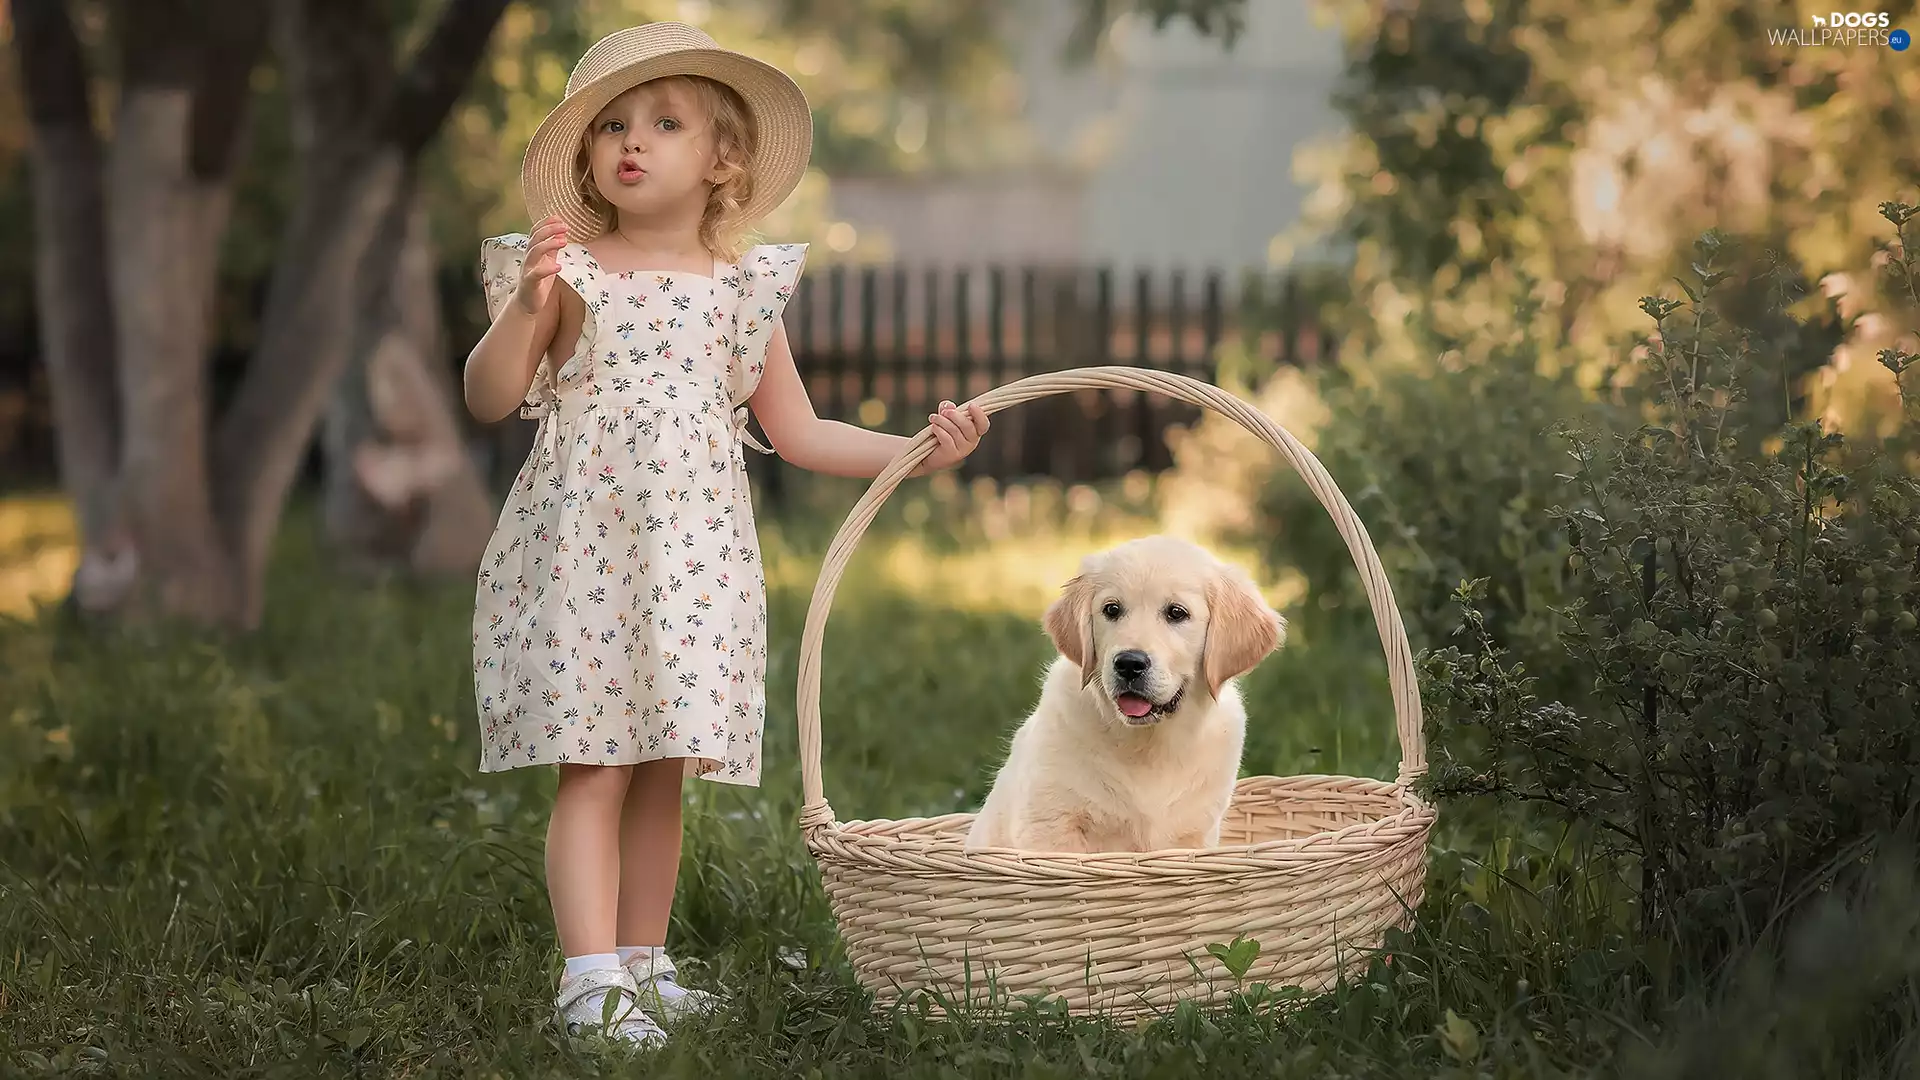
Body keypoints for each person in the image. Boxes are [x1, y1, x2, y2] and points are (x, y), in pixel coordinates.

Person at [462, 22, 989, 1045]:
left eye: (665, 123)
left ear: (723, 161)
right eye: (613, 124)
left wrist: (918, 451)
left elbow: (797, 432)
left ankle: (645, 961)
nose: (633, 141)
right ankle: (587, 980)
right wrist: (524, 310)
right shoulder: (567, 277)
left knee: (667, 761)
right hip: (586, 561)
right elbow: (489, 397)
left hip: (692, 566)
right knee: (597, 762)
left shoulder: (737, 290)